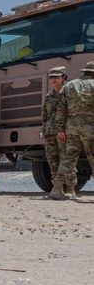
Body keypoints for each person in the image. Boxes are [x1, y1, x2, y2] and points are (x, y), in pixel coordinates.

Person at [50, 60, 94, 200]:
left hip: (71, 130)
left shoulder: (69, 86)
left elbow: (60, 110)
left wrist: (61, 130)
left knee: (68, 160)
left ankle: (57, 189)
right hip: (90, 129)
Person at [42, 67, 67, 189]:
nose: (53, 79)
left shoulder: (68, 93)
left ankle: (69, 186)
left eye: (56, 77)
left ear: (63, 77)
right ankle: (56, 187)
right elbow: (44, 116)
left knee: (65, 161)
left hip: (64, 133)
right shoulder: (48, 96)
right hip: (50, 133)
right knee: (52, 161)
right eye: (51, 77)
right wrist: (44, 132)